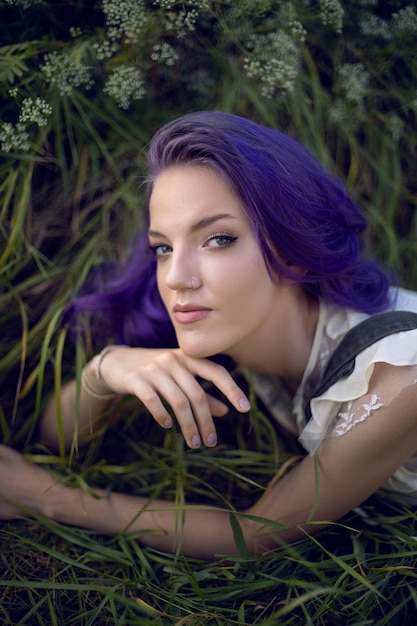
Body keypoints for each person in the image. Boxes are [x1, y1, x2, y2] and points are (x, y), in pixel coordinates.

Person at [1, 110, 417, 560]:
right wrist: (103, 371)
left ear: (294, 249)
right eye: (162, 247)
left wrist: (49, 497)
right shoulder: (230, 326)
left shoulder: (400, 374)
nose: (176, 277)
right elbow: (51, 440)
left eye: (218, 239)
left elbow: (257, 532)